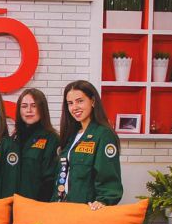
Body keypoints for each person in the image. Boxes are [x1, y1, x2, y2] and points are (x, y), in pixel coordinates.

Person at [52, 80, 123, 209]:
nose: (74, 107)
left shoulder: (103, 134)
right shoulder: (71, 135)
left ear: (93, 101)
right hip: (61, 207)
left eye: (80, 101)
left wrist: (103, 201)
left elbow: (108, 176)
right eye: (70, 103)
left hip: (85, 210)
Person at [13, 88, 60, 202]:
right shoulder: (13, 139)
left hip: (36, 205)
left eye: (34, 106)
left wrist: (39, 207)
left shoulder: (52, 139)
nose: (29, 110)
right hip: (13, 204)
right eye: (24, 106)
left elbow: (50, 180)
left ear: (42, 109)